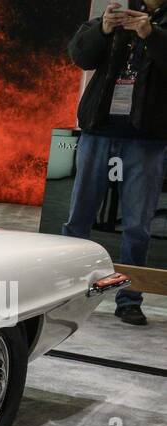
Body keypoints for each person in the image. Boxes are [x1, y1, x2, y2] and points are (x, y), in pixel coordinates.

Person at [65, 0, 167, 325]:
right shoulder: (115, 11)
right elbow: (80, 56)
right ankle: (65, 290)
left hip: (147, 136)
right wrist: (103, 28)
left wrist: (152, 34)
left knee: (137, 226)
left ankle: (129, 298)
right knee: (79, 218)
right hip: (99, 128)